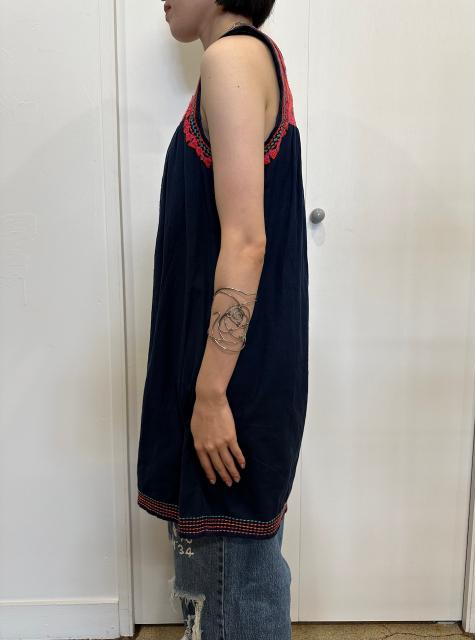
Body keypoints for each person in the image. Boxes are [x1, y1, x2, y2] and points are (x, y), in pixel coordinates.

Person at [136, 0, 309, 637]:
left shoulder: (231, 58)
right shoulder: (248, 59)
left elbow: (245, 241)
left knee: (231, 585)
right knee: (228, 577)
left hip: (231, 379)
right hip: (236, 370)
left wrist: (210, 394)